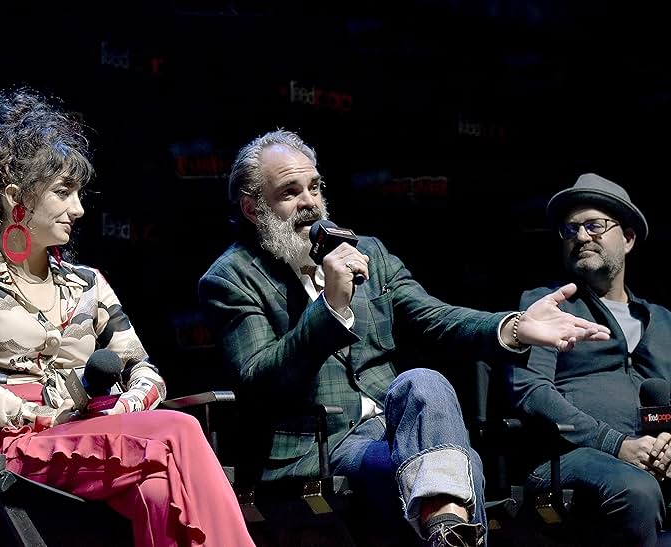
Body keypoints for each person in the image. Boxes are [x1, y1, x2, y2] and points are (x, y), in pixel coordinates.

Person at [197, 129, 610, 547]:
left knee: (422, 382)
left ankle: (447, 533)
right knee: (458, 465)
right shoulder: (232, 278)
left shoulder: (368, 252)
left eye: (315, 187)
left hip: (400, 428)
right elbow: (259, 381)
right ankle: (451, 530)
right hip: (322, 448)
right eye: (290, 192)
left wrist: (515, 326)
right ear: (253, 209)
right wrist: (331, 309)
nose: (310, 203)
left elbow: (435, 317)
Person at [0, 87, 255, 547]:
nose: (78, 209)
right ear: (14, 195)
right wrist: (36, 412)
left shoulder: (88, 281)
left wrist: (126, 405)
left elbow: (145, 372)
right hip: (14, 443)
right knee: (181, 428)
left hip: (93, 429)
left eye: (79, 193)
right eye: (63, 192)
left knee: (161, 494)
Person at [510, 173, 671, 546]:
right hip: (570, 461)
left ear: (626, 239)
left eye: (594, 225)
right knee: (636, 490)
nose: (580, 236)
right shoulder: (548, 305)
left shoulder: (665, 322)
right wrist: (616, 443)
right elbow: (532, 392)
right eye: (570, 229)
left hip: (655, 461)